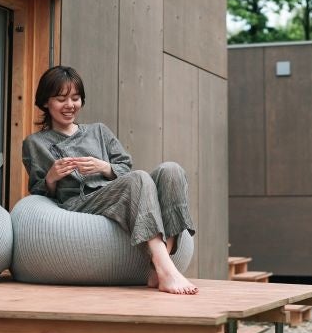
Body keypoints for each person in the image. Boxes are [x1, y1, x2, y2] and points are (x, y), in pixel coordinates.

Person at [21, 65, 198, 295]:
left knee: (172, 171)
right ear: (46, 102)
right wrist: (51, 178)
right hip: (81, 201)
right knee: (139, 179)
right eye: (61, 99)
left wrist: (104, 167)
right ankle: (166, 270)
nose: (70, 105)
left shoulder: (99, 131)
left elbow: (125, 166)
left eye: (75, 98)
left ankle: (159, 267)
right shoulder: (35, 143)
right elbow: (38, 193)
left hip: (114, 191)